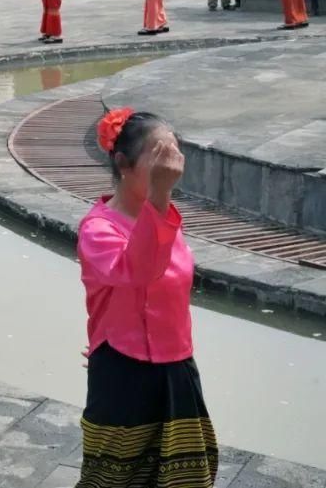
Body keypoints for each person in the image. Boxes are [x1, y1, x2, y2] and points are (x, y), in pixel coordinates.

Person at [76, 108, 218, 487]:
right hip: (123, 369)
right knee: (114, 479)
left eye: (173, 150)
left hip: (176, 366)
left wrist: (159, 200)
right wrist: (160, 196)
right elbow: (139, 273)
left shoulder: (164, 217)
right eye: (158, 153)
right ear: (123, 163)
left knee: (186, 477)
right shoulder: (98, 229)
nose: (170, 163)